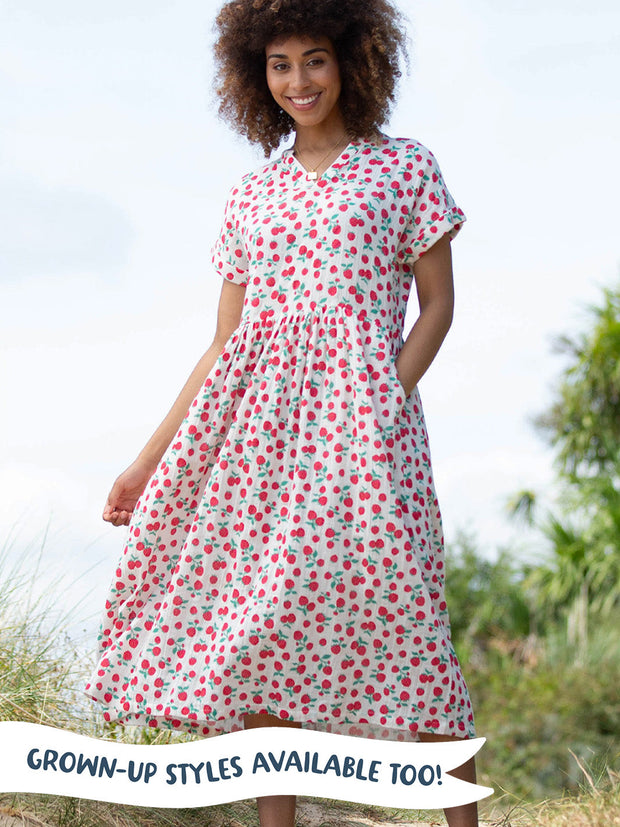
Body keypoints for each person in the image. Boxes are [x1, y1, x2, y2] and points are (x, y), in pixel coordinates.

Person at [85, 0, 480, 825]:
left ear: (352, 62)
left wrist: (384, 394)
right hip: (257, 440)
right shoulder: (250, 196)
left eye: (314, 60)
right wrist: (144, 462)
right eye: (279, 65)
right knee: (261, 628)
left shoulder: (404, 168)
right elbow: (222, 346)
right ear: (254, 76)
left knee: (408, 613)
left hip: (368, 434)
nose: (298, 81)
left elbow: (438, 306)